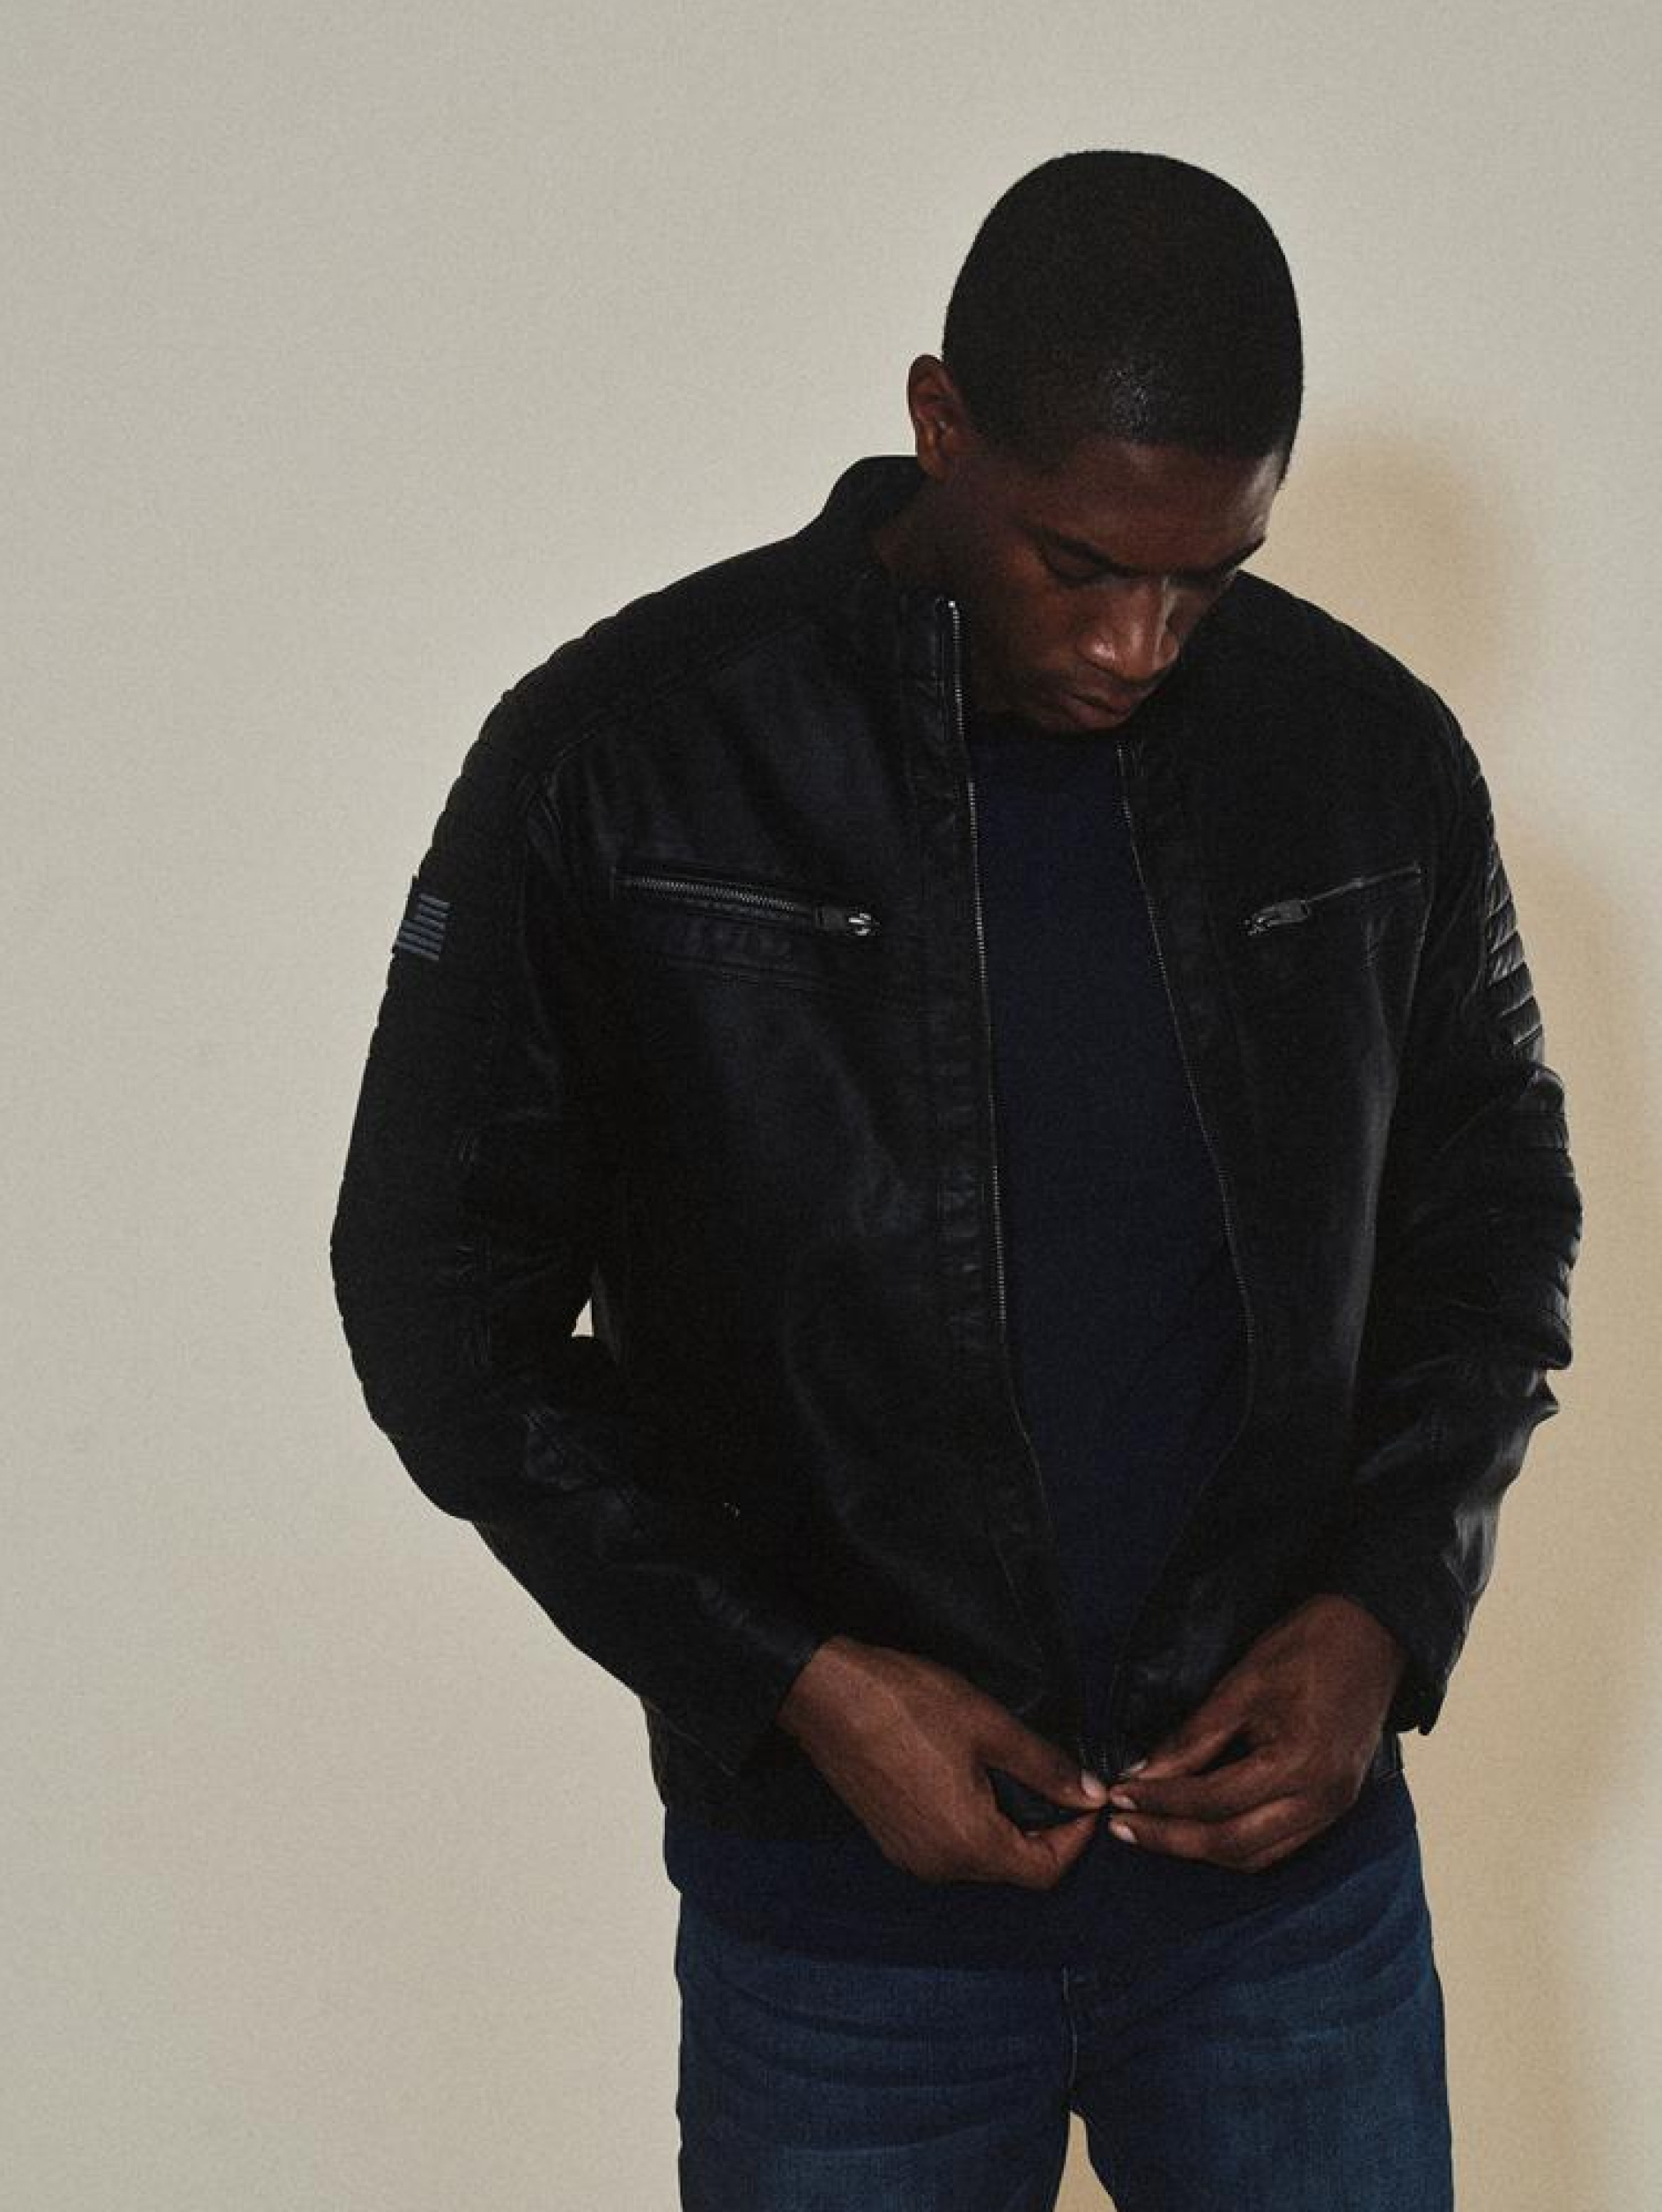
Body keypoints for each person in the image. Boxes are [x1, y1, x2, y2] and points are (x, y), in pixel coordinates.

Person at [329, 150, 1582, 2210]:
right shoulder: (624, 756)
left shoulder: (1361, 752)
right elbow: (432, 1302)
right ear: (939, 422)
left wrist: (1385, 1598)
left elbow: (1491, 1215)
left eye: (1210, 574)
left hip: (1287, 1921)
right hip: (847, 1938)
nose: (1138, 639)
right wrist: (792, 1681)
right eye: (1078, 561)